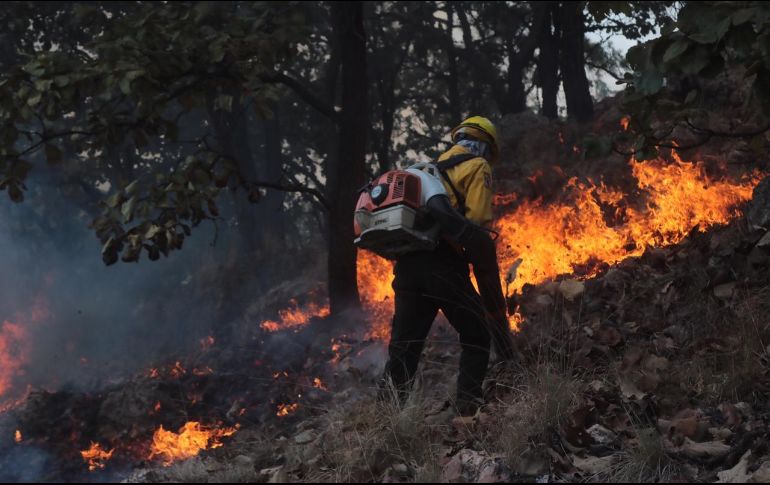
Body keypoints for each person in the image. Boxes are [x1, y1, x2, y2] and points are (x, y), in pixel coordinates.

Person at [381, 116, 515, 416]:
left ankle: (384, 419)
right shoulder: (477, 166)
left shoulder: (425, 173)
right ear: (485, 146)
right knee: (477, 333)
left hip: (406, 267)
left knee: (405, 347)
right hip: (442, 264)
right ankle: (467, 407)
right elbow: (477, 223)